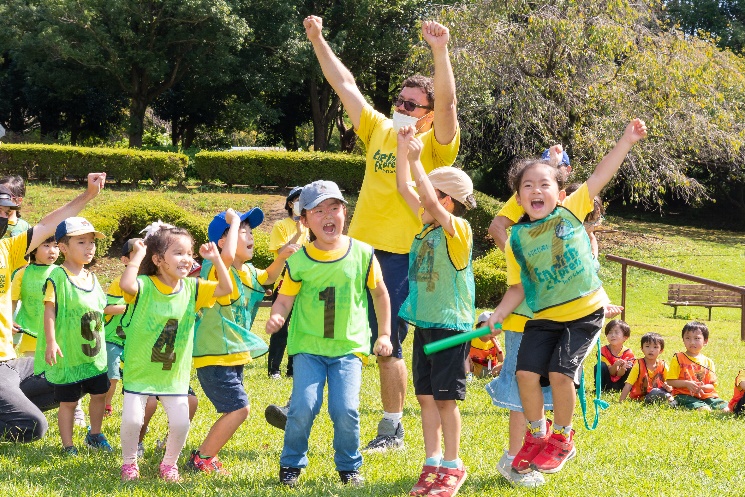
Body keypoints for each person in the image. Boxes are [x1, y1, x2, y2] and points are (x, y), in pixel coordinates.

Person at [304, 15, 459, 451]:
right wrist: (318, 38)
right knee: (328, 329)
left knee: (386, 341)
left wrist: (440, 51)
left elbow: (447, 106)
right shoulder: (379, 129)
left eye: (413, 105)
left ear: (426, 117)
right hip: (355, 249)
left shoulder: (436, 144)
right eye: (400, 100)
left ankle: (392, 428)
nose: (403, 109)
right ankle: (310, 409)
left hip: (402, 256)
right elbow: (345, 84)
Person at [484, 119, 648, 475]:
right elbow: (518, 289)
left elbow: (600, 176)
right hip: (544, 315)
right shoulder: (516, 241)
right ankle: (536, 435)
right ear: (519, 198)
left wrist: (626, 140)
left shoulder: (571, 210)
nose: (536, 190)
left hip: (583, 312)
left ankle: (563, 437)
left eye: (545, 184)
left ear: (559, 194)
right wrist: (496, 316)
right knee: (525, 374)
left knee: (560, 374)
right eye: (527, 186)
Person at [266, 180, 393, 487]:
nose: (328, 215)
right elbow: (284, 298)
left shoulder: (363, 254)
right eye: (318, 210)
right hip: (308, 348)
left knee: (345, 409)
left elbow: (380, 295)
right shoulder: (298, 261)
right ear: (305, 219)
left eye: (334, 208)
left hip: (348, 349)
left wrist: (385, 334)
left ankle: (349, 466)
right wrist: (277, 316)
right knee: (302, 408)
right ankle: (291, 464)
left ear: (344, 213)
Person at [395, 126, 476, 496]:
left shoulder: (457, 229)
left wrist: (416, 160)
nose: (421, 203)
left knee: (445, 398)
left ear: (445, 202)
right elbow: (403, 189)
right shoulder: (426, 228)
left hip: (450, 327)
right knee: (426, 396)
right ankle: (433, 459)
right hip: (426, 324)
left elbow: (422, 194)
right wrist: (402, 151)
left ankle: (453, 465)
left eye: (429, 198)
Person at [186, 208, 299, 474]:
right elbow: (224, 259)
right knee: (240, 409)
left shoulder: (247, 271)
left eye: (250, 232)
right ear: (222, 242)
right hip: (214, 355)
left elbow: (269, 277)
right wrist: (234, 219)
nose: (250, 237)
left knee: (235, 409)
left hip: (233, 355)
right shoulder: (213, 267)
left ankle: (206, 455)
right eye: (242, 232)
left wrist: (282, 256)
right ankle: (202, 457)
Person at [117, 224, 232, 482]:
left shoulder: (193, 288)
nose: (187, 259)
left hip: (173, 374)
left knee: (180, 422)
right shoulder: (145, 285)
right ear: (158, 260)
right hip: (141, 368)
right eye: (178, 253)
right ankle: (128, 463)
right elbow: (127, 284)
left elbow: (226, 289)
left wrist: (216, 260)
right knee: (133, 421)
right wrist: (137, 255)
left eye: (189, 253)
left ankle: (169, 465)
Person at [0, 172, 105, 443]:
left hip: (10, 362)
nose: (3, 217)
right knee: (33, 426)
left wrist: (88, 195)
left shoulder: (6, 250)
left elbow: (48, 225)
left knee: (72, 377)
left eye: (6, 212)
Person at [41, 217, 111, 455]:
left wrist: (134, 304)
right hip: (69, 355)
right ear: (63, 247)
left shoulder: (92, 278)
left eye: (91, 242)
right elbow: (49, 309)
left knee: (100, 394)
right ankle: (68, 445)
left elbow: (103, 307)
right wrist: (51, 341)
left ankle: (95, 434)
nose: (89, 247)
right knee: (69, 402)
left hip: (94, 354)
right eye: (81, 242)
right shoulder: (57, 277)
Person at [267, 186, 309, 379]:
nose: (301, 203)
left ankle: (293, 369)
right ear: (290, 203)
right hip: (284, 282)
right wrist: (298, 232)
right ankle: (274, 369)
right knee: (281, 327)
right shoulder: (281, 226)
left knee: (299, 329)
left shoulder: (311, 226)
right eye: (298, 199)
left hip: (304, 283)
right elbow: (283, 251)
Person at [102, 238, 141, 418]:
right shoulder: (120, 281)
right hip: (114, 338)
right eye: (137, 252)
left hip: (135, 341)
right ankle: (105, 405)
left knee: (135, 379)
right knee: (113, 377)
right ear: (125, 260)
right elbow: (107, 308)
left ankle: (134, 413)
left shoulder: (149, 280)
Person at [12, 236, 60, 357]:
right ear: (33, 249)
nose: (52, 250)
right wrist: (9, 321)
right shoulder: (22, 274)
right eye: (46, 246)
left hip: (58, 335)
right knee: (33, 373)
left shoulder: (62, 273)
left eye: (56, 246)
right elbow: (12, 301)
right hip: (30, 335)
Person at [667, 321, 727, 411]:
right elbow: (670, 381)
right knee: (705, 410)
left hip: (706, 396)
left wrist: (702, 388)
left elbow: (712, 386)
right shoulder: (678, 358)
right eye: (687, 338)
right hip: (684, 395)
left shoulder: (708, 362)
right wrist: (686, 384)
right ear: (683, 340)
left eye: (697, 338)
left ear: (705, 341)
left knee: (726, 409)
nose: (692, 342)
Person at [619, 332, 673, 403]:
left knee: (662, 392)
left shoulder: (663, 365)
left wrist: (669, 388)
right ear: (642, 349)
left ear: (661, 350)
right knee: (656, 392)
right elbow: (628, 384)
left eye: (655, 347)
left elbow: (671, 382)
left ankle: (671, 400)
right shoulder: (638, 365)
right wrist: (621, 401)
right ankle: (671, 401)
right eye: (647, 346)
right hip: (642, 398)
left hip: (659, 393)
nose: (651, 350)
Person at [598, 320, 635, 392]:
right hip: (607, 382)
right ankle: (600, 388)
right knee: (600, 365)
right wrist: (615, 365)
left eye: (616, 332)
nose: (613, 335)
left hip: (621, 382)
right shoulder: (602, 351)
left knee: (630, 368)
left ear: (625, 337)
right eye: (610, 332)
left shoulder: (628, 353)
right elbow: (612, 372)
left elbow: (620, 374)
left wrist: (622, 369)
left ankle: (625, 389)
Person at [468, 312, 504, 379]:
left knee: (509, 364)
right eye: (487, 326)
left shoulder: (494, 341)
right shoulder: (472, 338)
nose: (491, 329)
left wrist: (497, 345)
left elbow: (501, 359)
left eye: (494, 326)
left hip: (491, 369)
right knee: (465, 358)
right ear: (479, 327)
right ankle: (469, 376)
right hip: (475, 368)